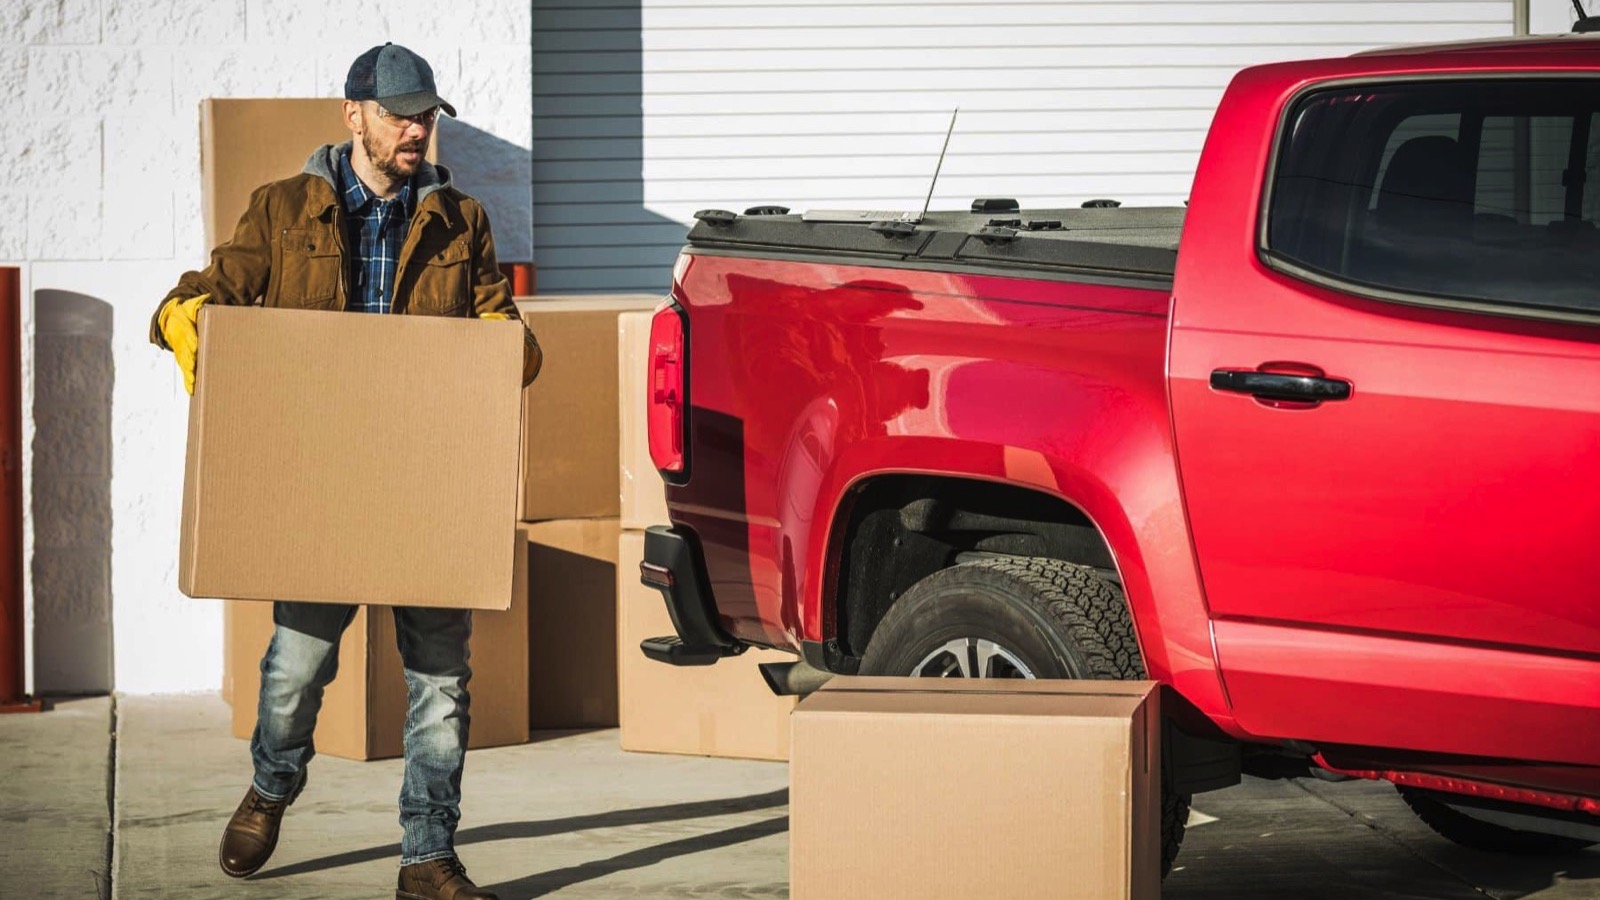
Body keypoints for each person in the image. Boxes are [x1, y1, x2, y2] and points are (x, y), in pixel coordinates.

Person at [150, 42, 539, 900]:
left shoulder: (460, 219)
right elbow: (207, 292)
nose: (416, 128)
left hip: (426, 485)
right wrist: (191, 324)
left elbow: (501, 328)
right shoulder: (284, 210)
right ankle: (271, 786)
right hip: (324, 485)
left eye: (426, 113)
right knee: (294, 673)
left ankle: (428, 858)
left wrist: (511, 351)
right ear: (352, 113)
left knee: (440, 685)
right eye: (399, 112)